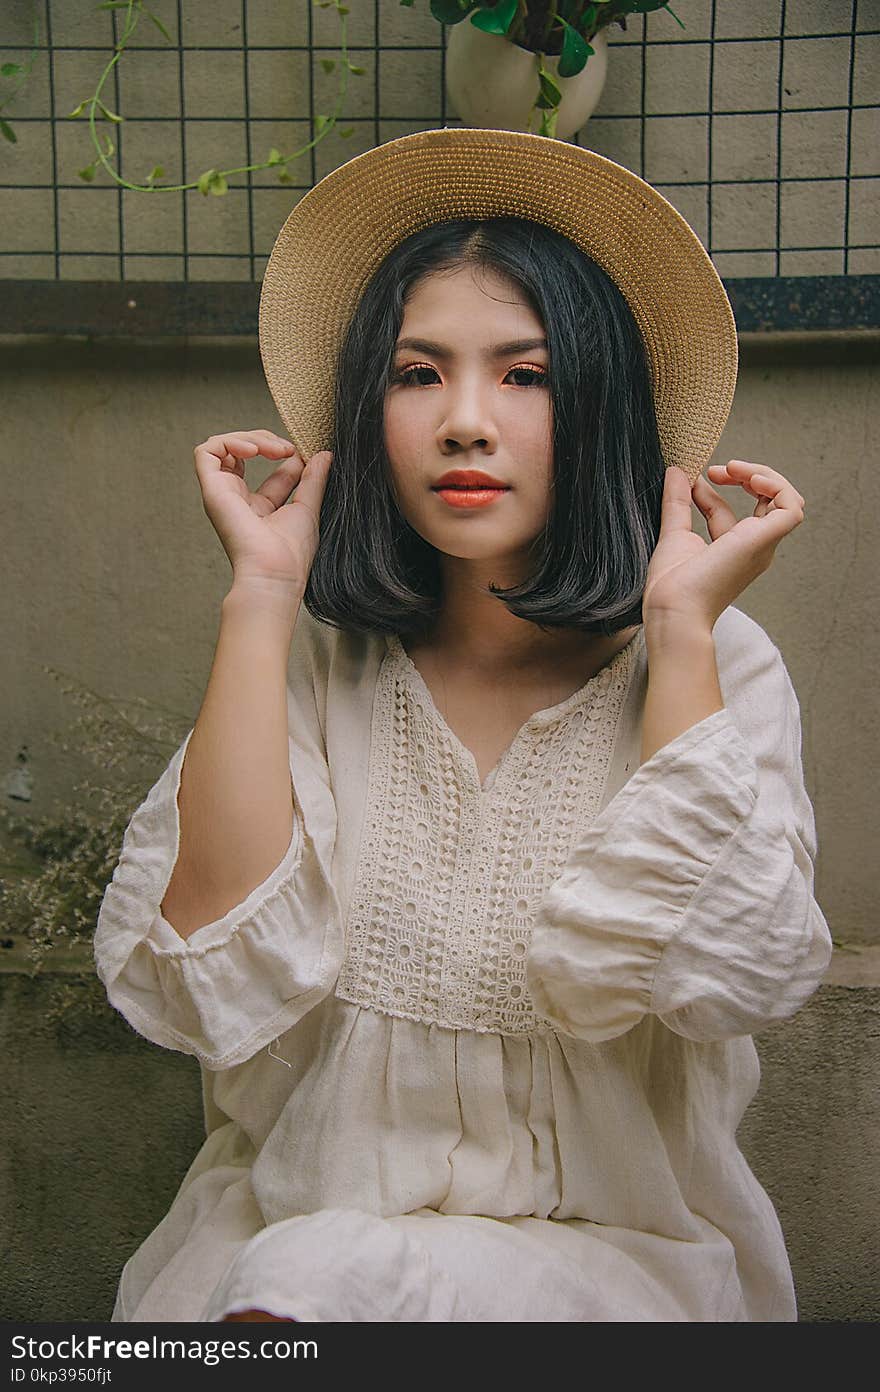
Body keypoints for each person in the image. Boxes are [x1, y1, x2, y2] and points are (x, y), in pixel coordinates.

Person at [94, 128, 832, 1323]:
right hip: (283, 1238)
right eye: (417, 372)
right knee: (299, 1282)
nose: (466, 422)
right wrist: (262, 596)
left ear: (596, 403)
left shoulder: (715, 664)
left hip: (613, 1255)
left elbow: (724, 982)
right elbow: (203, 983)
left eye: (525, 375)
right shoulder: (317, 660)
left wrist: (683, 627)